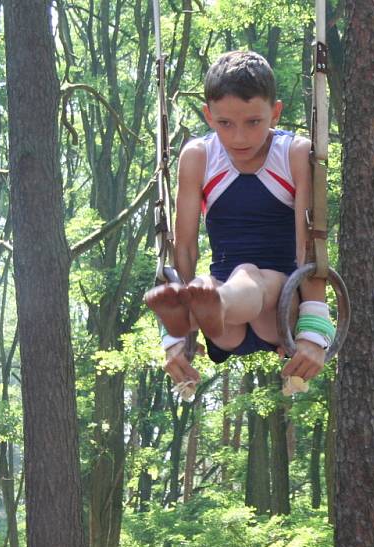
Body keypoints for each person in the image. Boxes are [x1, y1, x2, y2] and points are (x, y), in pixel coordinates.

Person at [145, 50, 334, 390]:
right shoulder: (199, 157)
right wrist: (177, 341)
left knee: (246, 275)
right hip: (223, 326)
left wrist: (314, 331)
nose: (239, 138)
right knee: (210, 285)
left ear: (275, 113)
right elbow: (184, 248)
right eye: (225, 124)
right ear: (208, 116)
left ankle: (204, 307)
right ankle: (197, 310)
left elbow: (310, 246)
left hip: (280, 308)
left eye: (253, 122)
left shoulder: (293, 154)